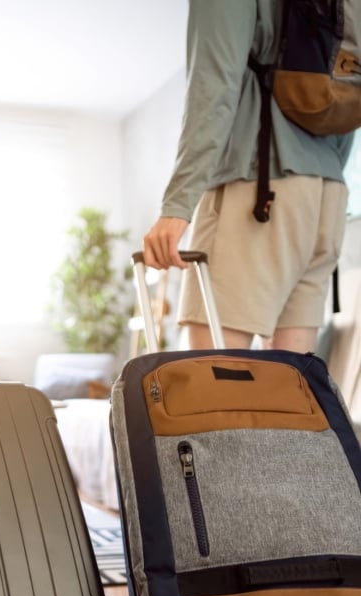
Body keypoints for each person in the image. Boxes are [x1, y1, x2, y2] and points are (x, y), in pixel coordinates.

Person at [143, 0, 357, 353]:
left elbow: (214, 86)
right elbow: (348, 94)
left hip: (258, 190)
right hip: (326, 197)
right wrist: (323, 170)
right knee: (291, 386)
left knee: (213, 385)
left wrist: (177, 205)